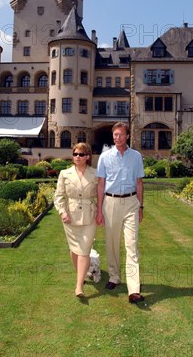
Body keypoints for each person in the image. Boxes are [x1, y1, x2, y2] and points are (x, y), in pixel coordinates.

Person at [96, 122, 145, 304]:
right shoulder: (105, 157)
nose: (118, 138)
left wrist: (141, 206)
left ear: (127, 136)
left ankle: (134, 289)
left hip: (132, 202)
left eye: (121, 135)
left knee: (132, 245)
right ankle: (114, 277)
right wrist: (99, 210)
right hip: (111, 203)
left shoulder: (136, 157)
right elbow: (100, 185)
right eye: (115, 135)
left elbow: (139, 183)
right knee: (112, 243)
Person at [54, 142, 98, 298]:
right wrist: (62, 212)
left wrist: (101, 214)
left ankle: (79, 287)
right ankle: (81, 274)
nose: (77, 157)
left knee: (84, 250)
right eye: (75, 154)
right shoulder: (64, 174)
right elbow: (59, 196)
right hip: (70, 217)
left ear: (87, 157)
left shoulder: (96, 173)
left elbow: (101, 195)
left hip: (89, 216)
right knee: (74, 250)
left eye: (80, 154)